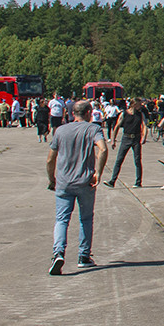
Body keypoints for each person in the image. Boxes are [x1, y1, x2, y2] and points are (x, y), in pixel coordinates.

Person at [46, 99, 108, 275]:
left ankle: (58, 252)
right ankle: (83, 256)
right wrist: (98, 172)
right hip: (85, 182)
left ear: (72, 113)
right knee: (86, 218)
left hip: (64, 183)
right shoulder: (93, 129)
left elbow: (50, 158)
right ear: (89, 112)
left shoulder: (60, 130)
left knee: (61, 219)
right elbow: (102, 149)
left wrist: (52, 179)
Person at [104, 99, 146, 188]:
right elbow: (117, 126)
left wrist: (144, 137)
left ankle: (138, 182)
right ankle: (112, 181)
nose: (140, 106)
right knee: (119, 160)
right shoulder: (124, 114)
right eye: (139, 104)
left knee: (137, 160)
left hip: (136, 138)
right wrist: (113, 140)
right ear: (133, 105)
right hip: (126, 138)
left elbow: (144, 125)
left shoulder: (140, 114)